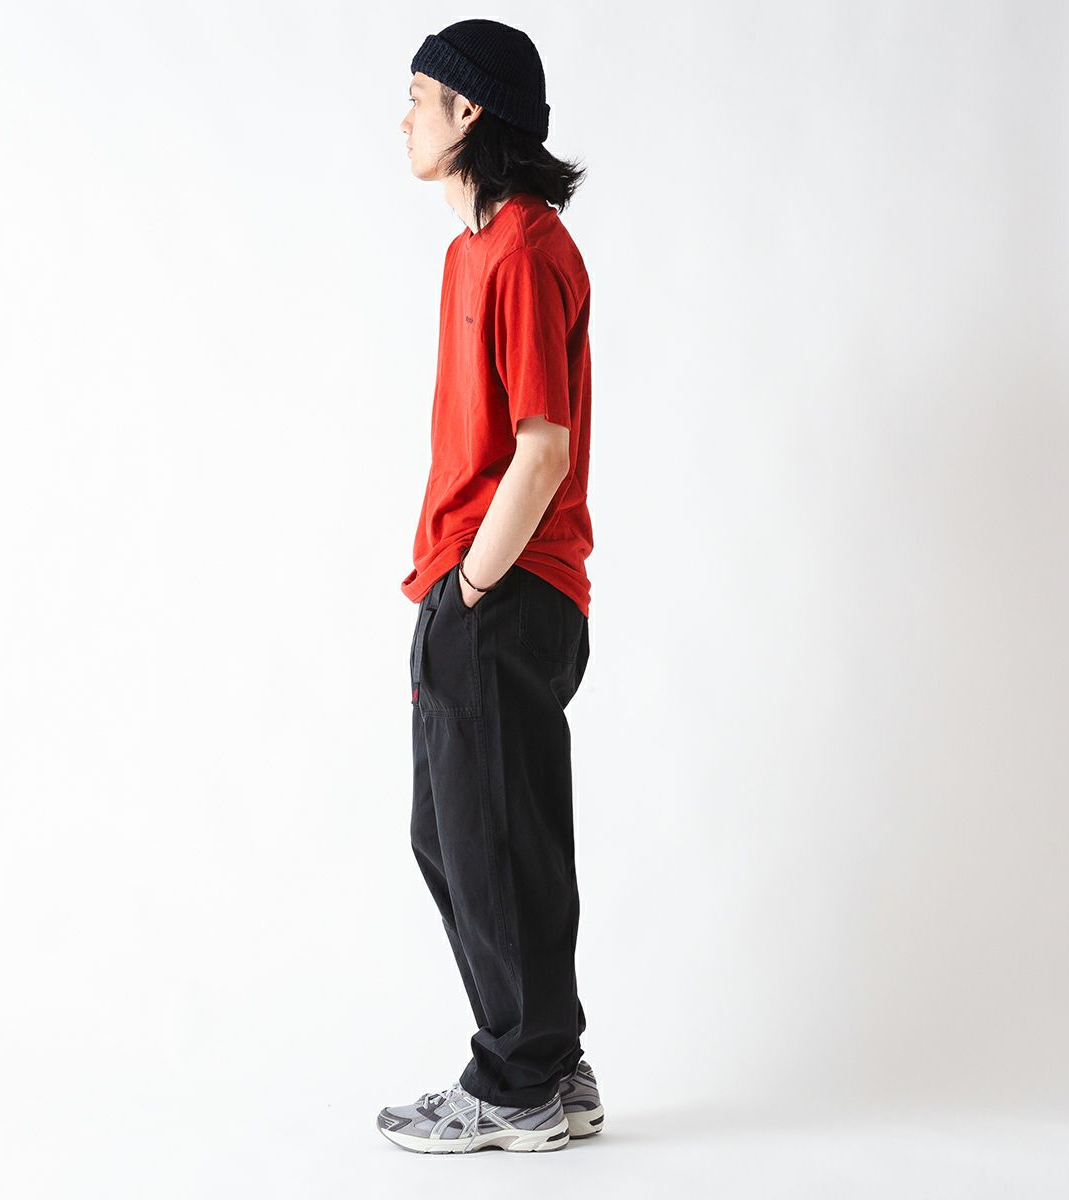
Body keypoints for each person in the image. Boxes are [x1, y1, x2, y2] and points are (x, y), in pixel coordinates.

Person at [375, 20, 605, 1155]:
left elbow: (542, 448)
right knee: (471, 837)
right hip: (480, 588)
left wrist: (470, 585)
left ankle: (515, 1080)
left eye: (420, 98)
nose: (405, 119)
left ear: (469, 112)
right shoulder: (473, 253)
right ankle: (550, 1068)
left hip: (503, 588)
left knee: (486, 843)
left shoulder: (522, 249)